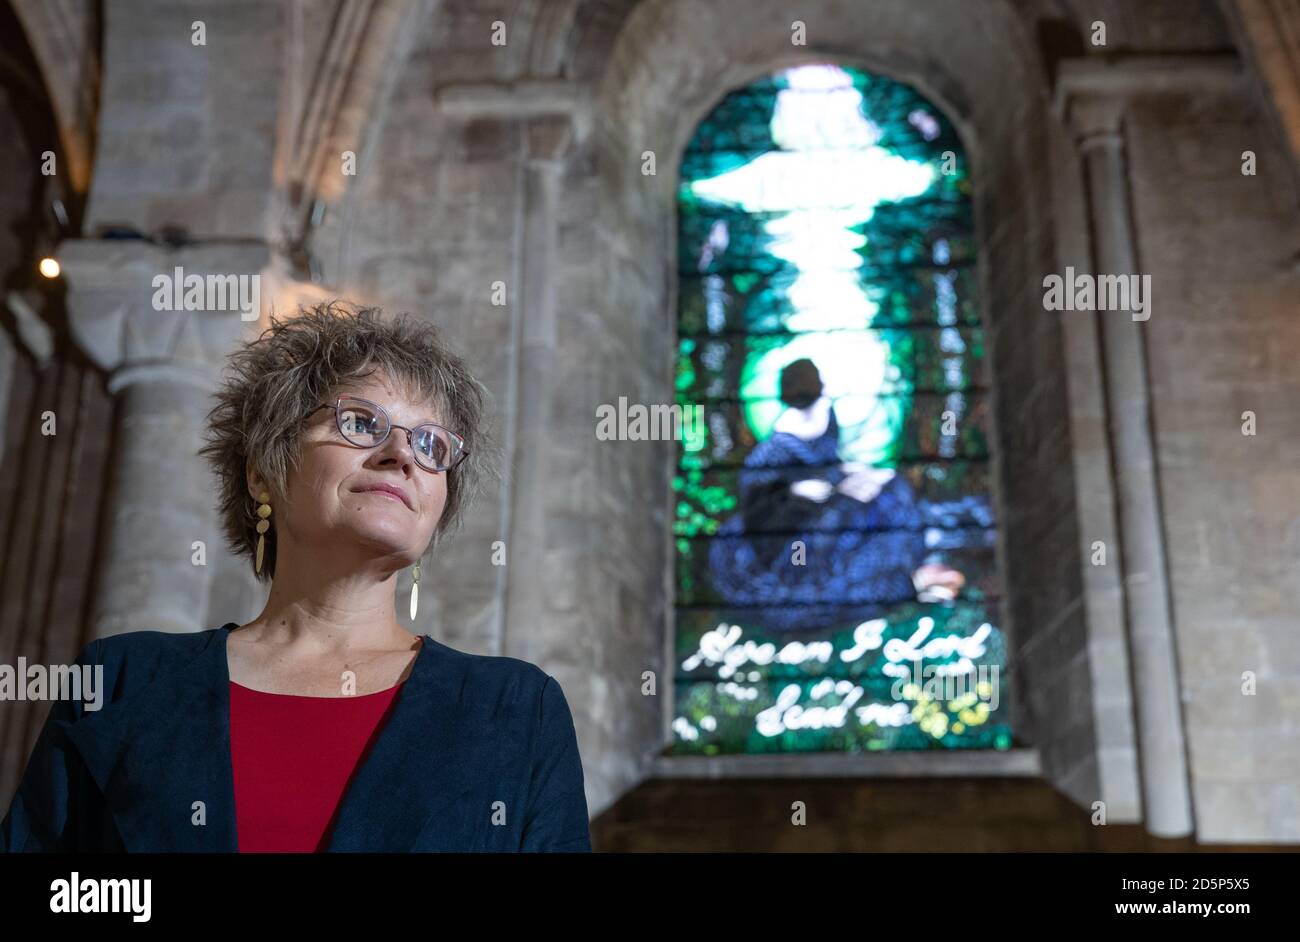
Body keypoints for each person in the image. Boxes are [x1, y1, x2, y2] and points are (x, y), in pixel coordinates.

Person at [0, 301, 591, 853]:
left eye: (431, 444)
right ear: (263, 472)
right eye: (362, 422)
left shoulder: (515, 710)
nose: (402, 455)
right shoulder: (121, 682)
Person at [708, 358, 981, 632]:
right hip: (792, 539)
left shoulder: (826, 415)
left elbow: (829, 464)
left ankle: (910, 570)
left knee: (891, 492)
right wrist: (798, 495)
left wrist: (851, 477)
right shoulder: (771, 453)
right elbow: (760, 512)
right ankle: (900, 582)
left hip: (831, 498)